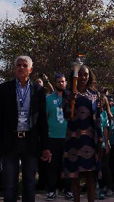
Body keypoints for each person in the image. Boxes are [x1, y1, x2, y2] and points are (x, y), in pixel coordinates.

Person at [0, 56, 51, 202]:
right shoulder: (4, 88)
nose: (21, 68)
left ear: (30, 69)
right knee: (10, 185)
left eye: (24, 65)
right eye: (18, 65)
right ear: (14, 68)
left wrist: (45, 147)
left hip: (30, 141)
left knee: (29, 184)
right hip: (10, 141)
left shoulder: (39, 90)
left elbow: (42, 120)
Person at [62, 65, 100, 202]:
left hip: (90, 139)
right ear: (74, 77)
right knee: (74, 175)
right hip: (73, 138)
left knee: (90, 174)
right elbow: (67, 115)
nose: (83, 77)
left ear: (89, 76)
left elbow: (98, 117)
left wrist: (101, 138)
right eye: (80, 75)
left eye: (86, 75)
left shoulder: (95, 94)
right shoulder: (67, 93)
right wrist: (71, 98)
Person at [45, 73, 71, 201]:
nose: (61, 83)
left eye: (63, 81)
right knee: (53, 166)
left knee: (68, 165)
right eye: (59, 82)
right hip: (52, 138)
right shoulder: (48, 99)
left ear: (66, 83)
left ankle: (69, 190)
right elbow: (44, 119)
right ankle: (51, 191)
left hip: (68, 138)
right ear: (55, 83)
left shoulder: (71, 98)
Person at [97, 94, 112, 200]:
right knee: (96, 167)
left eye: (102, 100)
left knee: (104, 167)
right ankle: (97, 187)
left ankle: (106, 187)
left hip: (102, 144)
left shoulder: (104, 114)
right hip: (92, 144)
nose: (100, 101)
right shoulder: (92, 112)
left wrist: (106, 144)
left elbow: (106, 129)